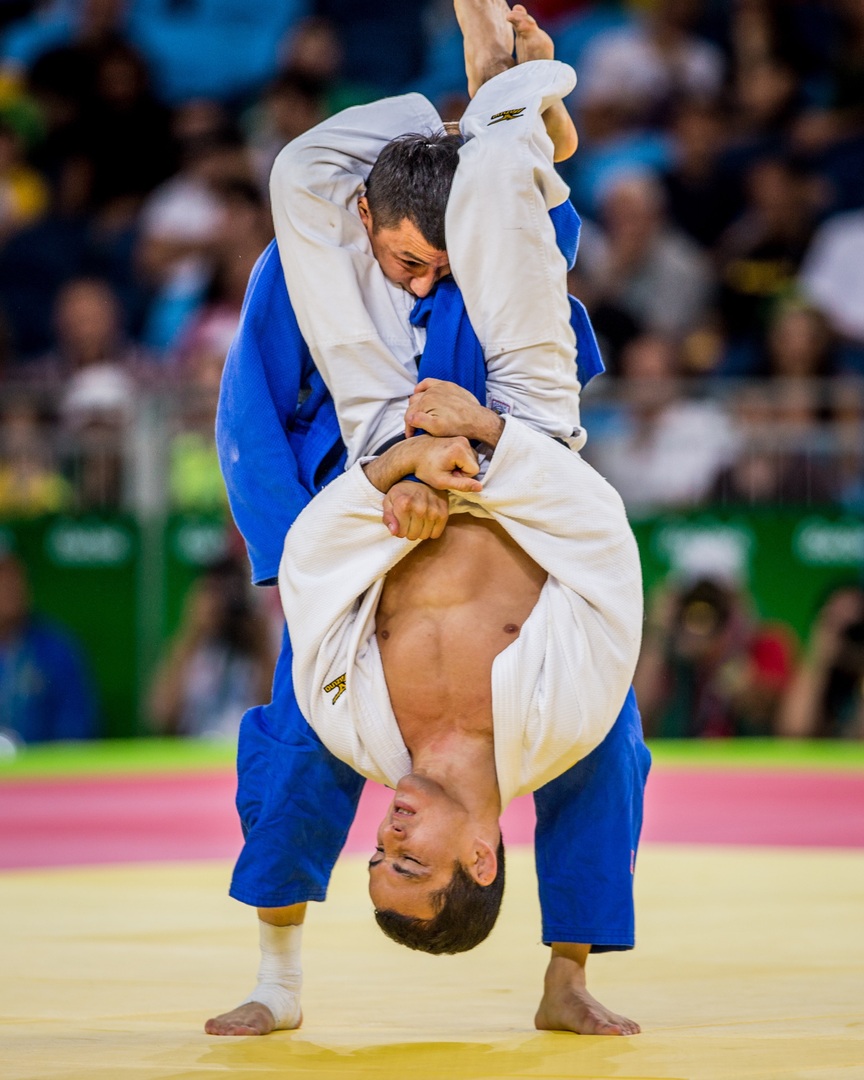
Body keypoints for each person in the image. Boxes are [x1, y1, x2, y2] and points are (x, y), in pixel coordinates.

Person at [211, 1, 648, 1040]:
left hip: (404, 490)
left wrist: (409, 474)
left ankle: (568, 972)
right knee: (293, 749)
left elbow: (530, 245)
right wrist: (326, 525)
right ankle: (278, 978)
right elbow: (247, 418)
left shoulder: (462, 248)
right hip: (367, 501)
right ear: (365, 222)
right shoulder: (303, 264)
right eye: (411, 261)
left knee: (611, 752)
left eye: (386, 853)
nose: (427, 277)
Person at [0, 551, 99, 744]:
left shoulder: (57, 648)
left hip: (41, 768)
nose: (11, 586)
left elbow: (77, 730)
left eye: (15, 576)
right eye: (2, 578)